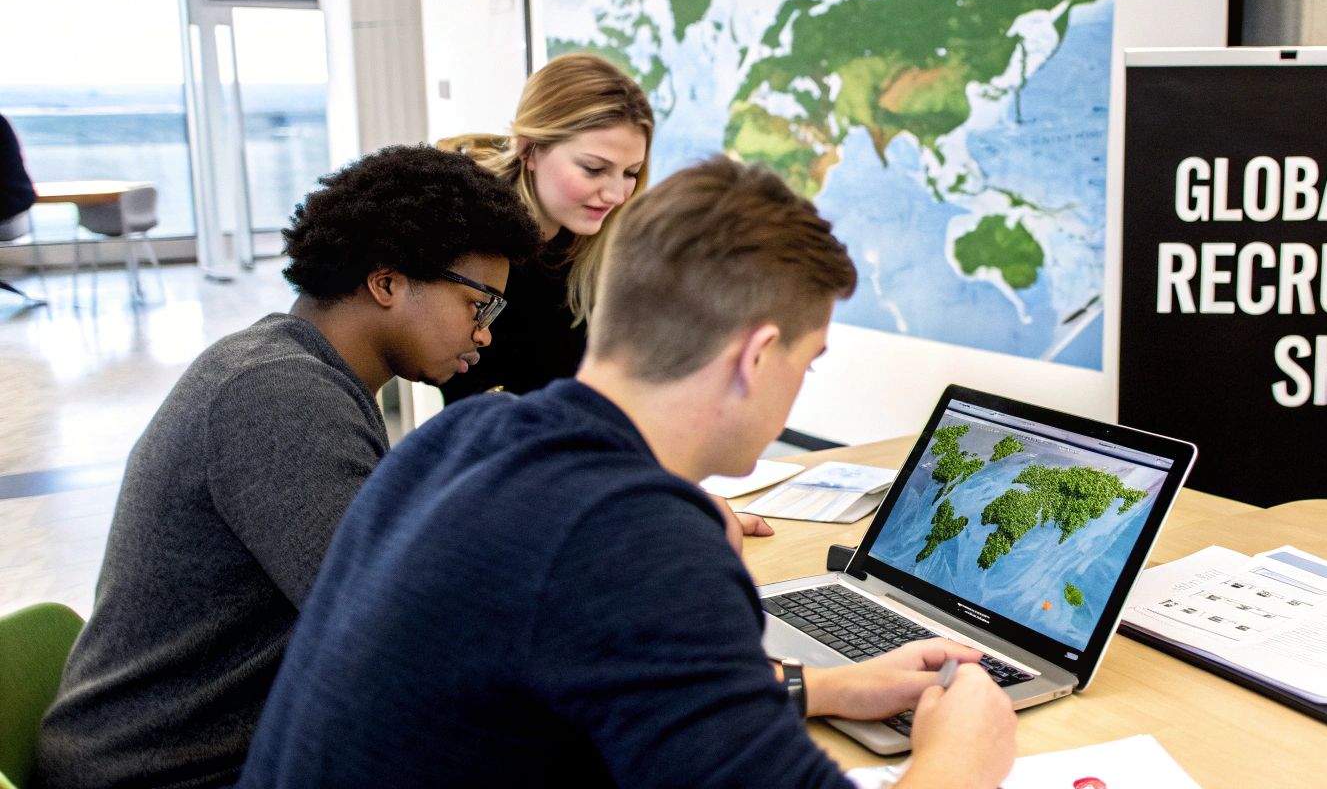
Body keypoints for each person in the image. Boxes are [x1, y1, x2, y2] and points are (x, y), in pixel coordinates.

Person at [236, 157, 1017, 788]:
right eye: (805, 364)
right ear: (753, 356)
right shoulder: (631, 537)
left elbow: (602, 681)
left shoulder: (468, 435)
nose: (798, 390)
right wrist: (963, 759)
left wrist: (833, 688)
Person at [36, 145, 542, 789]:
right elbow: (389, 628)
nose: (485, 335)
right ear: (387, 282)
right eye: (481, 305)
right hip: (168, 773)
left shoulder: (301, 374)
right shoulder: (276, 394)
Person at [436, 52, 653, 403]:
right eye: (594, 169)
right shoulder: (468, 240)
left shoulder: (602, 245)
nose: (616, 194)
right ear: (529, 150)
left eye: (630, 172)